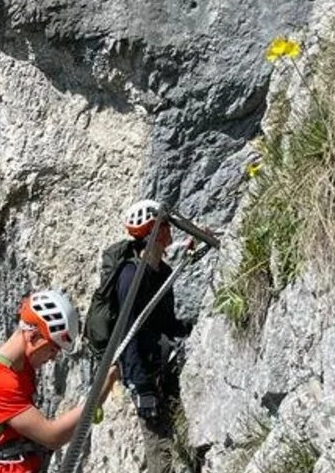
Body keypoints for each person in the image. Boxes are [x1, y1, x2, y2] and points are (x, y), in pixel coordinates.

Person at [0, 289, 120, 472]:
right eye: (53, 348)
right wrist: (101, 389)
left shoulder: (22, 369)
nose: (53, 357)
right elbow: (52, 436)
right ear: (33, 336)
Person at [116, 200, 195, 473]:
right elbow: (127, 333)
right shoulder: (130, 276)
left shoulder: (161, 271)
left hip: (162, 367)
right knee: (159, 449)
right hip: (145, 376)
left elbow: (165, 323)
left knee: (176, 441)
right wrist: (140, 387)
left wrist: (191, 328)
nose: (170, 229)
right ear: (153, 232)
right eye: (164, 225)